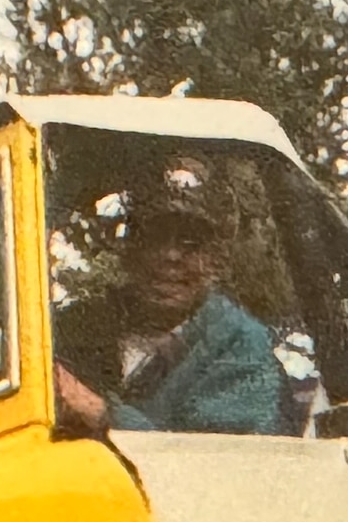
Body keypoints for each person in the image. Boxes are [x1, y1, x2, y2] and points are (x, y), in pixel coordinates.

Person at [53, 158, 287, 436]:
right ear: (130, 249)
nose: (170, 256)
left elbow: (217, 465)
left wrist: (104, 415)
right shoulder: (78, 326)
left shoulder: (240, 346)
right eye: (156, 237)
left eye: (190, 243)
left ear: (215, 260)